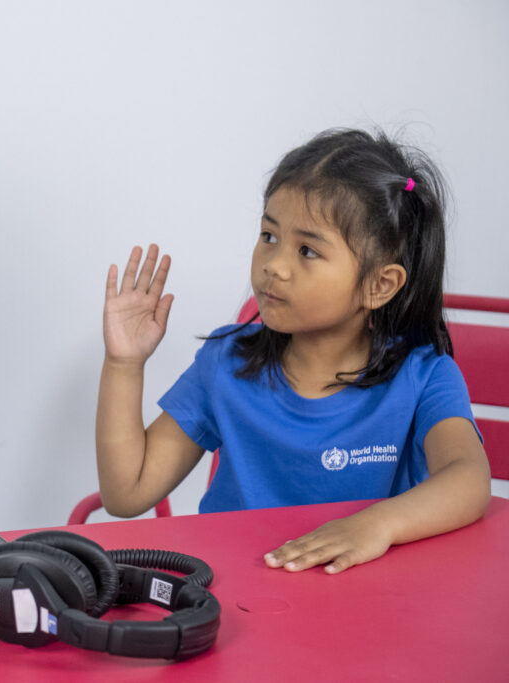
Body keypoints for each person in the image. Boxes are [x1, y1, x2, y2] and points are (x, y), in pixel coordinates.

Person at [96, 128, 491, 575]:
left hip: (366, 607)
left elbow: (469, 480)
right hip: (235, 597)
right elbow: (126, 493)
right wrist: (123, 364)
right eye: (268, 235)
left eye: (307, 250)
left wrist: (375, 525)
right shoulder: (226, 363)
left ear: (379, 285)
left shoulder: (424, 376)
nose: (274, 265)